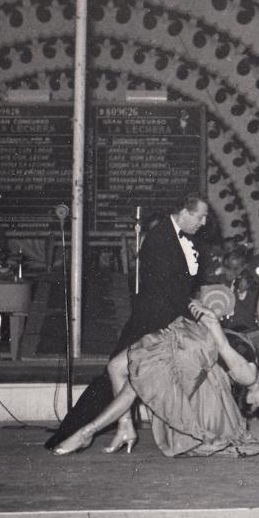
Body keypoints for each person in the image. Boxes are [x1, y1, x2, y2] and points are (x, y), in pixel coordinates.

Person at [45, 193, 210, 450]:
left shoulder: (176, 238)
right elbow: (165, 292)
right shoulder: (160, 239)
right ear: (185, 212)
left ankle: (118, 429)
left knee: (117, 372)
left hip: (160, 318)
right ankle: (86, 431)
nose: (204, 222)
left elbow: (176, 289)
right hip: (155, 322)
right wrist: (192, 317)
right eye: (201, 216)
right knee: (121, 375)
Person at [54, 301, 259, 457]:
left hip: (191, 347)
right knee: (116, 368)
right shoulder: (251, 376)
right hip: (189, 340)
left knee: (134, 384)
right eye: (255, 406)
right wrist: (211, 322)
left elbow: (222, 345)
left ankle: (86, 432)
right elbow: (223, 345)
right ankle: (125, 426)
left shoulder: (249, 375)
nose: (254, 406)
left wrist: (212, 324)